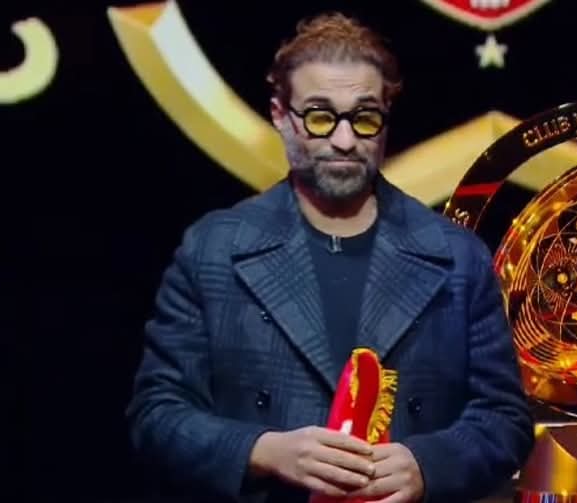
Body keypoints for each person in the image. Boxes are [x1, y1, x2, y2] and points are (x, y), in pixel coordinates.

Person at [125, 11, 534, 503]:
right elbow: (157, 414)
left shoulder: (457, 256)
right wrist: (264, 451)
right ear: (280, 115)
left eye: (365, 118)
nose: (345, 140)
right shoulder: (213, 249)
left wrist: (426, 465)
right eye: (320, 117)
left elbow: (505, 418)